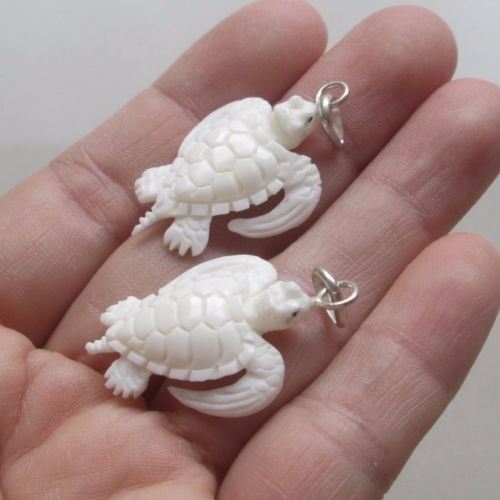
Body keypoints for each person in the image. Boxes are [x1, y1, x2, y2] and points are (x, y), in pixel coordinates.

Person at [0, 2, 498, 498]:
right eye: (298, 108)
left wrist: (248, 223)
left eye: (291, 309)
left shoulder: (252, 282)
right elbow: (226, 162)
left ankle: (138, 341)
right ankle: (171, 230)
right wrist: (237, 219)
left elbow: (228, 255)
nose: (297, 113)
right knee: (179, 240)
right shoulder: (254, 266)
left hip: (158, 303)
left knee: (168, 276)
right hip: (167, 275)